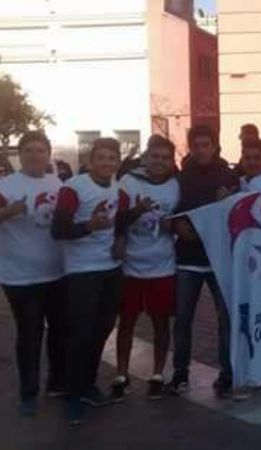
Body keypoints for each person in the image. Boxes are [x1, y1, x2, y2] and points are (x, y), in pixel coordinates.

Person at [52, 137, 126, 425]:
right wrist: (88, 226)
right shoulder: (74, 188)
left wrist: (121, 238)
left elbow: (119, 221)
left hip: (111, 267)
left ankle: (88, 385)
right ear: (90, 161)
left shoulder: (118, 188)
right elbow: (58, 230)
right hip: (82, 270)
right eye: (101, 158)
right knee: (81, 333)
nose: (107, 163)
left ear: (117, 162)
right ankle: (72, 396)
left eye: (112, 158)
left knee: (102, 329)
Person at [169, 125, 241, 400]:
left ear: (214, 146)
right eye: (196, 145)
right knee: (183, 319)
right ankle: (180, 373)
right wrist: (177, 226)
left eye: (205, 144)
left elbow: (239, 214)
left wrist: (230, 202)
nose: (201, 149)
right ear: (190, 147)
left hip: (219, 259)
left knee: (226, 320)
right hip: (187, 260)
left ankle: (227, 375)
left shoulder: (229, 175)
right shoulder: (180, 177)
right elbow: (171, 210)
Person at [0, 131, 67, 417]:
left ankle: (56, 382)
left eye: (41, 150)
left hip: (57, 274)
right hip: (21, 278)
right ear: (20, 154)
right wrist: (8, 212)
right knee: (30, 334)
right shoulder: (6, 185)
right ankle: (29, 392)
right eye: (29, 150)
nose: (35, 155)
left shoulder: (57, 182)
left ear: (48, 154)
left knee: (59, 332)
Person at [110, 135, 179, 402]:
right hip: (131, 264)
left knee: (161, 322)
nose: (159, 162)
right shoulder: (128, 182)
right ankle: (121, 374)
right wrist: (133, 215)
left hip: (162, 264)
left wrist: (172, 226)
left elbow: (182, 218)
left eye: (165, 158)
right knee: (127, 321)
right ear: (146, 157)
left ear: (172, 161)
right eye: (155, 156)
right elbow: (118, 218)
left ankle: (158, 374)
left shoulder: (176, 185)